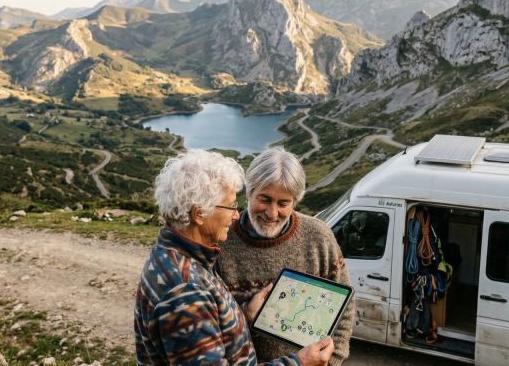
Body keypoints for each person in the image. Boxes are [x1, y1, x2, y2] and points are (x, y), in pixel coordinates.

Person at [134, 149, 335, 365]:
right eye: (230, 206)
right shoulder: (185, 292)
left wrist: (246, 313)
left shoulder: (178, 258)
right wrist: (300, 362)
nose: (236, 215)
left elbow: (208, 326)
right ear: (199, 213)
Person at [216, 147, 354, 365]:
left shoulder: (319, 237)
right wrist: (244, 314)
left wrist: (332, 361)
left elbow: (344, 309)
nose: (272, 213)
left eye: (283, 203)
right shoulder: (221, 242)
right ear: (249, 192)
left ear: (295, 201)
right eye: (264, 199)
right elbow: (210, 325)